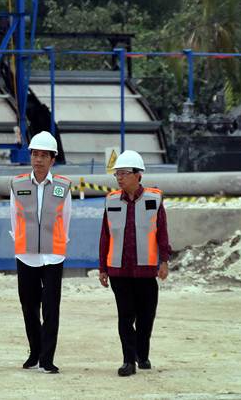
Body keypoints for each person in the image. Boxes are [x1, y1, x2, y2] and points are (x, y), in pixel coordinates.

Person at [97, 150, 172, 377]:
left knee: (146, 316)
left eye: (124, 173)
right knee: (125, 316)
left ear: (138, 175)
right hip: (119, 270)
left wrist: (164, 261)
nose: (119, 178)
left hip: (146, 270)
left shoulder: (154, 199)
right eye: (117, 174)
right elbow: (105, 236)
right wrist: (102, 267)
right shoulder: (111, 201)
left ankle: (142, 353)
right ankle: (128, 361)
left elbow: (162, 233)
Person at [9, 131, 72, 374]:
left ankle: (47, 358)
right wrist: (20, 241)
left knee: (51, 308)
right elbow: (13, 218)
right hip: (26, 254)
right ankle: (34, 352)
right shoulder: (18, 184)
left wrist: (59, 242)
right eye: (35, 154)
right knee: (29, 306)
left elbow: (66, 219)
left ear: (52, 159)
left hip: (53, 255)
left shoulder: (62, 187)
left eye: (44, 155)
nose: (38, 159)